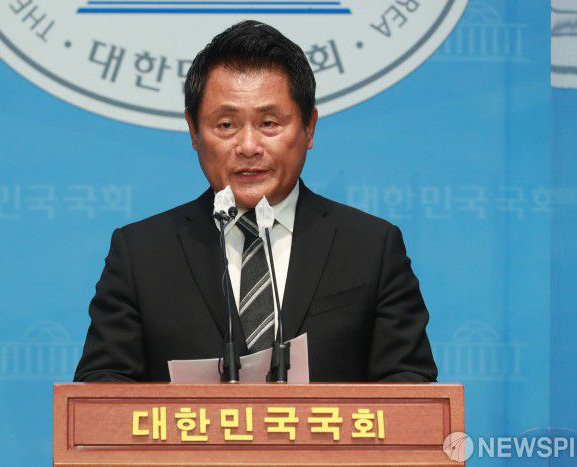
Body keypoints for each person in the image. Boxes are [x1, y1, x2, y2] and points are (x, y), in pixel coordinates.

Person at [74, 20, 437, 383]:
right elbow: (102, 391)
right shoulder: (141, 254)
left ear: (309, 127)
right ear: (194, 131)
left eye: (269, 123)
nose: (248, 147)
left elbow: (410, 386)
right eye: (226, 125)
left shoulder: (370, 247)